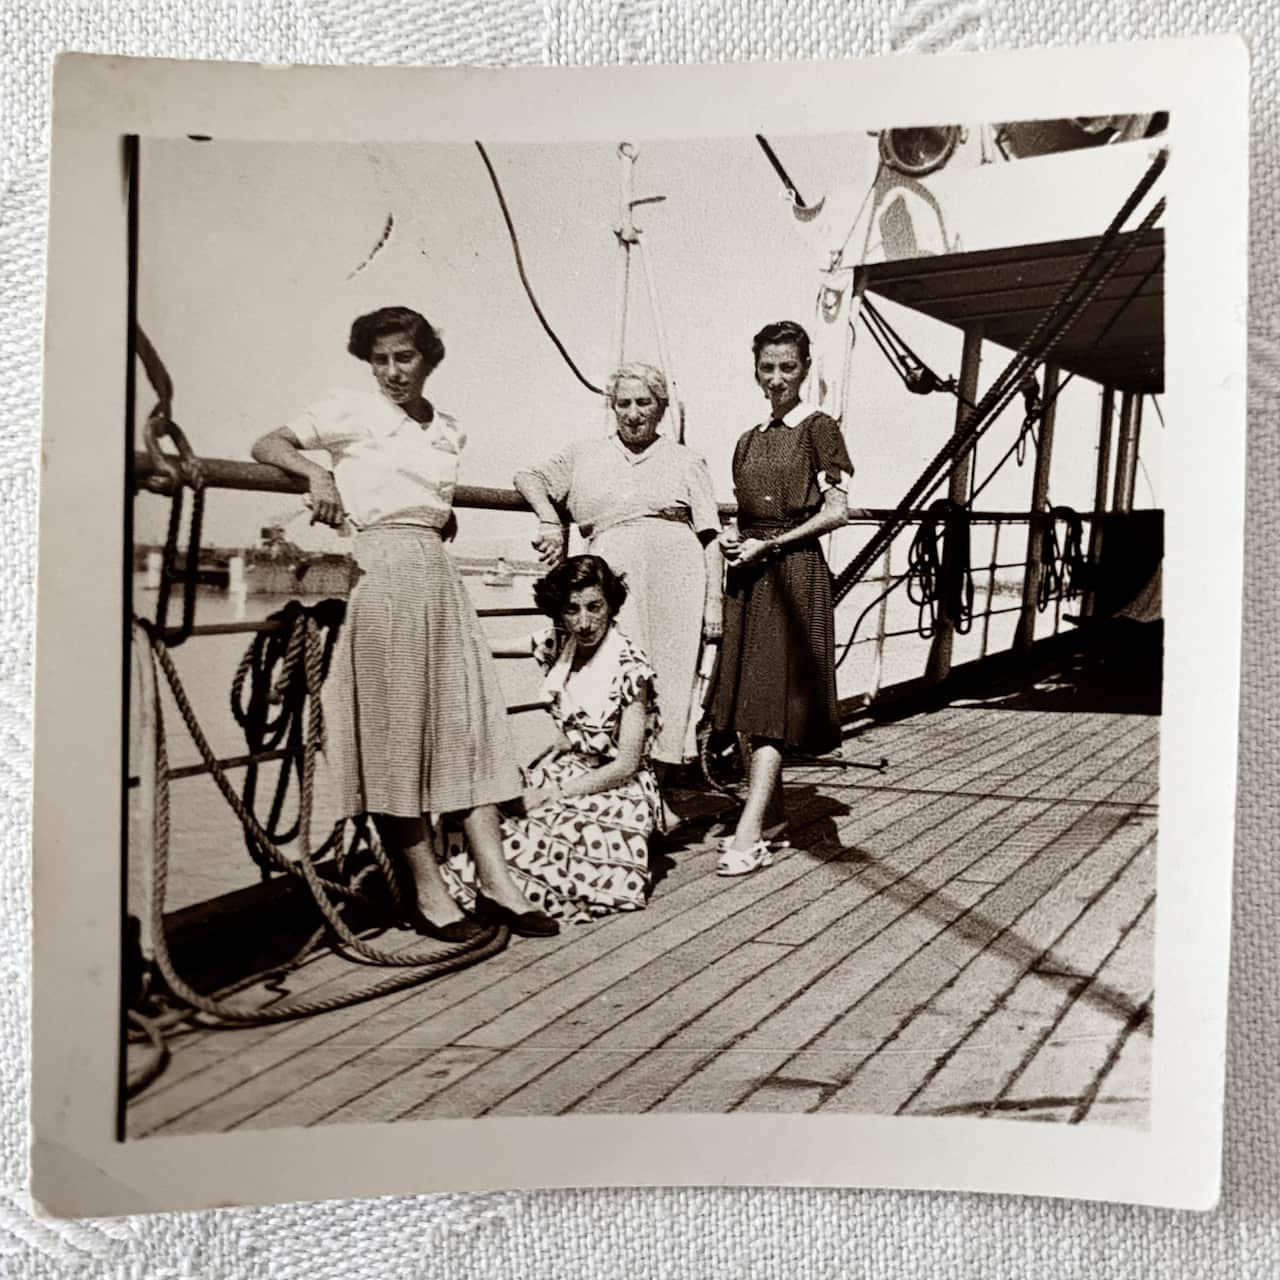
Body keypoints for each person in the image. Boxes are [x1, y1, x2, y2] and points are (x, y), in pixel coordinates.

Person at [250, 305, 557, 942]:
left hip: (439, 579)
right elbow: (266, 444)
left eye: (404, 357)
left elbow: (433, 504)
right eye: (380, 359)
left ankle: (498, 883)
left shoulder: (446, 428)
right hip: (382, 576)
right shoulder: (348, 412)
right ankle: (429, 892)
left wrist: (438, 518)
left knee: (468, 729)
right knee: (398, 735)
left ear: (427, 360)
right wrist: (317, 472)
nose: (392, 372)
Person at [514, 364, 722, 770]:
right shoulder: (583, 454)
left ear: (661, 407)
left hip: (677, 584)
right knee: (613, 675)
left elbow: (710, 536)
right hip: (612, 589)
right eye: (623, 403)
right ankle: (613, 779)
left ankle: (655, 788)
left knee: (669, 684)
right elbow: (528, 476)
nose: (633, 412)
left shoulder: (686, 460)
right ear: (612, 407)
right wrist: (548, 519)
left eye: (644, 402)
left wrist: (713, 603)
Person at [708, 320, 858, 876]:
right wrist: (735, 539)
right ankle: (771, 814)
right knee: (749, 699)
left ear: (805, 371)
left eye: (787, 368)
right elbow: (747, 516)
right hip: (749, 576)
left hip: (793, 575)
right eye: (767, 368)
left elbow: (837, 511)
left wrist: (769, 545)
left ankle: (748, 834)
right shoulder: (748, 439)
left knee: (770, 706)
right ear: (756, 370)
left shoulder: (819, 428)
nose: (776, 379)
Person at [439, 555, 662, 923]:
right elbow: (487, 646)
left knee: (544, 831)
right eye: (571, 610)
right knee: (484, 814)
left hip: (618, 787)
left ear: (610, 605)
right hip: (569, 768)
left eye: (595, 607)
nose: (585, 622)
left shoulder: (631, 668)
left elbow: (626, 765)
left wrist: (552, 793)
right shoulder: (558, 643)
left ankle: (502, 895)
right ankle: (482, 892)